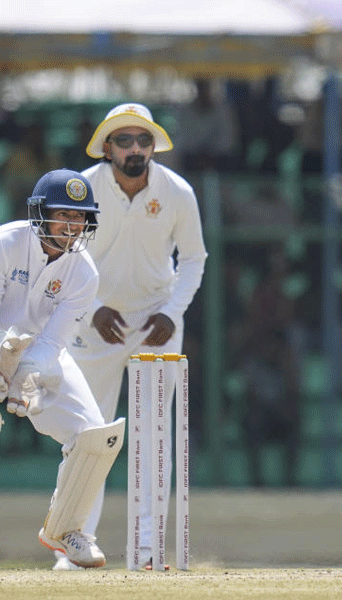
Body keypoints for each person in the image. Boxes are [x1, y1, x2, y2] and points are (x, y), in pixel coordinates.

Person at [0, 168, 125, 571]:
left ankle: (67, 530)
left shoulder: (84, 272)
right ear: (40, 212)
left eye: (80, 217)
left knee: (94, 436)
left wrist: (26, 372)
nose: (72, 225)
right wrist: (2, 350)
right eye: (64, 214)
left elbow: (52, 342)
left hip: (39, 347)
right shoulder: (2, 242)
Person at [63, 102, 207, 570]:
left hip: (154, 321)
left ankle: (147, 548)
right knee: (88, 431)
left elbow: (193, 259)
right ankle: (74, 540)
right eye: (124, 141)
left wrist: (170, 312)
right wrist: (89, 308)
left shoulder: (177, 191)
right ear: (107, 148)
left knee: (153, 433)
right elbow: (63, 256)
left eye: (144, 140)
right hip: (93, 320)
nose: (136, 149)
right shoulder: (82, 190)